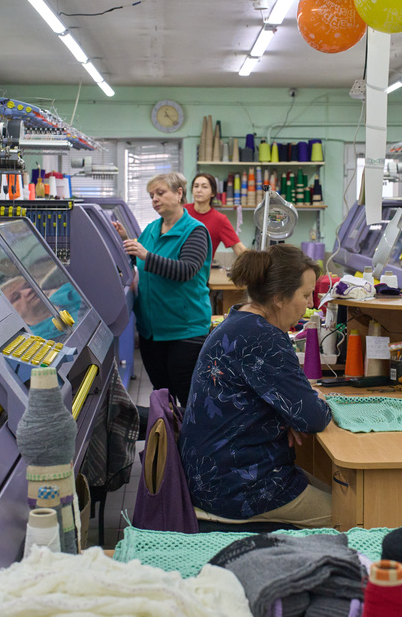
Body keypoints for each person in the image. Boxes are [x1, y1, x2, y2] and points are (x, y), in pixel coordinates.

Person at [179, 244, 333, 527]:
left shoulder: (239, 320)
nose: (310, 304)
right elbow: (312, 417)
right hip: (236, 487)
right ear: (277, 298)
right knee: (355, 513)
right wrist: (311, 403)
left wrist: (287, 412)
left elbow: (280, 402)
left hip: (213, 473)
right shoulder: (264, 339)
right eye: (304, 294)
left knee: (343, 494)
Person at [114, 172, 211, 407]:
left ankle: (192, 443)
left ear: (179, 194)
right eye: (151, 195)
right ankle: (170, 441)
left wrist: (146, 255)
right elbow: (141, 262)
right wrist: (126, 240)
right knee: (163, 397)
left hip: (184, 331)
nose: (154, 199)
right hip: (151, 332)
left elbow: (185, 270)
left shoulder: (194, 231)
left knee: (189, 401)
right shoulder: (151, 229)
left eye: (160, 193)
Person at [186, 172, 247, 259]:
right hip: (177, 269)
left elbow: (239, 248)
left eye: (204, 187)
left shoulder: (219, 220)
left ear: (213, 193)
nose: (199, 190)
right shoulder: (182, 211)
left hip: (201, 272)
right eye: (196, 186)